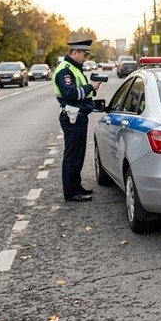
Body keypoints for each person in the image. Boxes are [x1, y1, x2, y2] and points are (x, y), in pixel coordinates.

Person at [53, 39, 102, 202]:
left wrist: (91, 89)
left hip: (78, 116)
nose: (85, 58)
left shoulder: (74, 68)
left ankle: (76, 186)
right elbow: (71, 94)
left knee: (78, 154)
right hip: (72, 117)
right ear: (75, 52)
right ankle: (71, 192)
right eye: (84, 54)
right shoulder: (65, 70)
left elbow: (79, 92)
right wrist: (91, 87)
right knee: (72, 155)